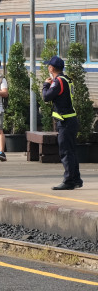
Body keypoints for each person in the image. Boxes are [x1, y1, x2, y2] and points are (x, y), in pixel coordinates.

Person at [43, 56, 83, 190]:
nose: (48, 68)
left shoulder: (58, 82)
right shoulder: (66, 79)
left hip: (65, 121)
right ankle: (76, 179)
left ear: (51, 68)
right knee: (71, 151)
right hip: (70, 120)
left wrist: (45, 85)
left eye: (48, 66)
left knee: (65, 152)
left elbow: (46, 97)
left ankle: (69, 181)